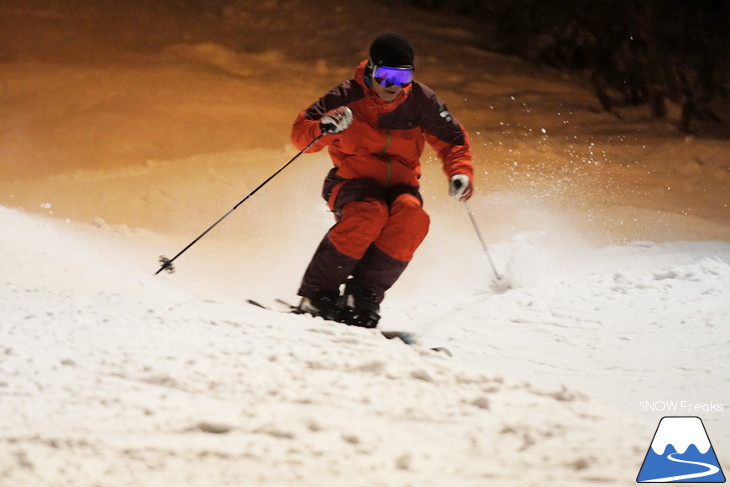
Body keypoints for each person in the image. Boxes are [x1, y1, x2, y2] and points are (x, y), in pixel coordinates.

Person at [290, 32, 474, 328]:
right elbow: (302, 135)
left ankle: (363, 295)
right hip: (353, 181)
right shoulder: (348, 95)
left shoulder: (421, 101)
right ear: (372, 70)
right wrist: (324, 126)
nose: (393, 86)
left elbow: (453, 140)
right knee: (368, 214)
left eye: (403, 77)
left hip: (402, 186)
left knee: (413, 219)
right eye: (386, 75)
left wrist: (460, 172)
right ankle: (317, 294)